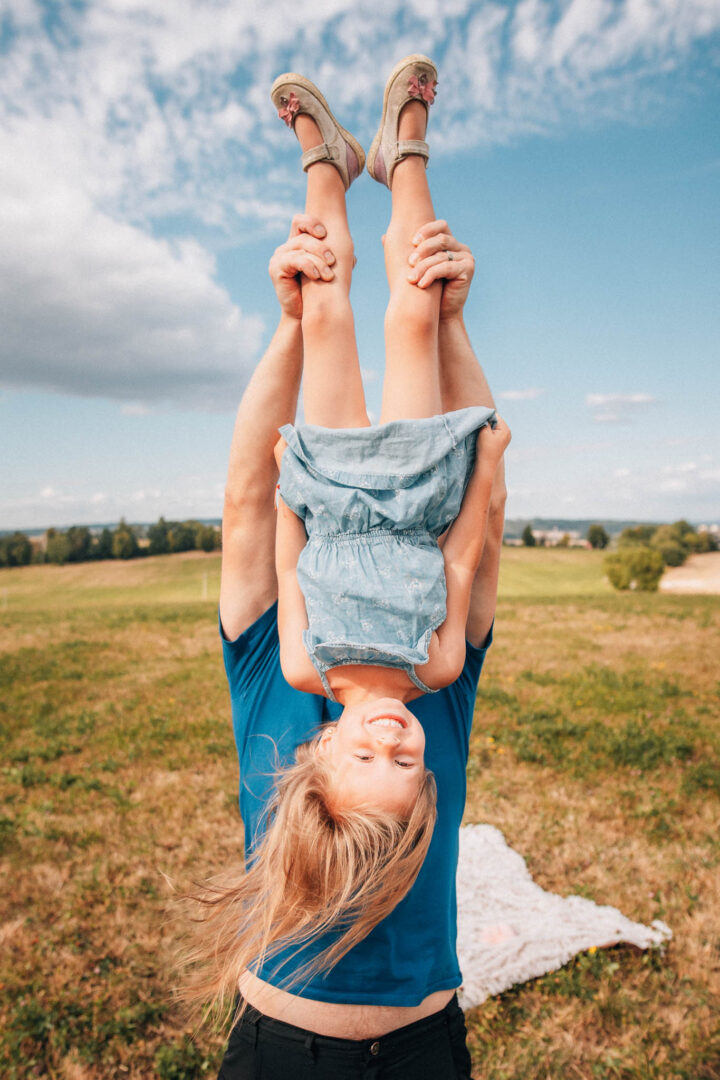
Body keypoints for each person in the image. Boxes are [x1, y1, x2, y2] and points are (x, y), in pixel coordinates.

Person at [201, 55, 508, 1080]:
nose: (393, 747)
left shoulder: (287, 684)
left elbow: (271, 511)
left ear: (311, 770)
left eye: (371, 759)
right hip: (290, 1048)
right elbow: (473, 533)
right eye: (402, 765)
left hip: (421, 1041)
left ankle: (325, 165)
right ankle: (400, 150)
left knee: (330, 296)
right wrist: (458, 335)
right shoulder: (434, 693)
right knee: (409, 302)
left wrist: (293, 324)